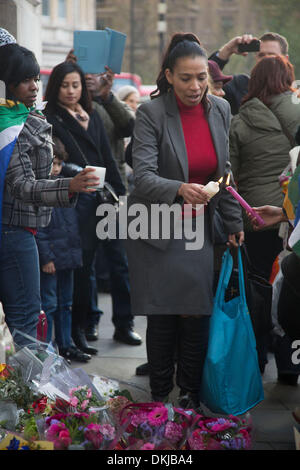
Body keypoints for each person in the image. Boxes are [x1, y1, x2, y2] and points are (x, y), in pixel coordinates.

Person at [125, 32, 244, 408]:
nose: (195, 86)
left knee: (196, 312)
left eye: (201, 78)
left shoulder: (221, 110)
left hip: (200, 228)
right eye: (186, 78)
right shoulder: (151, 113)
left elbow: (223, 172)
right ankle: (159, 398)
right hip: (158, 224)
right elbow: (141, 176)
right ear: (169, 77)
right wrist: (180, 187)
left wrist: (234, 220)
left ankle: (189, 394)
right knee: (163, 314)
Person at [0, 44, 100, 347]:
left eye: (35, 78)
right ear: (6, 82)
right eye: (24, 80)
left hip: (20, 229)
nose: (33, 86)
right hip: (13, 231)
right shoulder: (10, 125)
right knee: (27, 320)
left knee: (27, 318)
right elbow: (22, 186)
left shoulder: (23, 115)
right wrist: (68, 186)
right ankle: (34, 393)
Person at [44, 61, 141, 353]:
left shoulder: (92, 113)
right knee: (83, 267)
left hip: (107, 197)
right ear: (55, 87)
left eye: (75, 85)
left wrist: (120, 193)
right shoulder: (50, 117)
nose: (71, 91)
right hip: (77, 200)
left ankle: (125, 323)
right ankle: (81, 328)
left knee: (120, 262)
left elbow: (107, 157)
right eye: (64, 85)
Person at [230, 55, 300, 281]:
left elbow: (230, 173)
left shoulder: (240, 121)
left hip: (255, 215)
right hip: (291, 214)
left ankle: (260, 317)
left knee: (259, 280)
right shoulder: (297, 110)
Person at [36, 137, 91, 363]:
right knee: (49, 304)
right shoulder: (39, 190)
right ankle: (47, 349)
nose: (55, 169)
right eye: (51, 163)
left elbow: (73, 224)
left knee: (66, 304)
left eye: (58, 164)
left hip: (67, 256)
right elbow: (39, 228)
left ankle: (66, 345)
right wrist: (46, 257)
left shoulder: (67, 187)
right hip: (51, 258)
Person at [209, 32, 290, 114]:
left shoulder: (294, 97)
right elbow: (204, 79)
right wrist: (227, 50)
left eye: (271, 55)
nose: (265, 60)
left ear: (286, 59)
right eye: (261, 55)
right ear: (256, 58)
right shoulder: (239, 86)